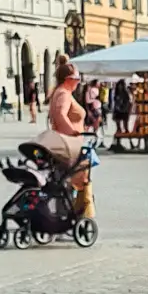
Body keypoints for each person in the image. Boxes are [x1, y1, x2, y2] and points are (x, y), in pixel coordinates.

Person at [42, 58, 94, 218]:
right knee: (68, 182)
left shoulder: (61, 92)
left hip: (66, 143)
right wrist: (72, 131)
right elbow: (59, 115)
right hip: (66, 145)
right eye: (76, 79)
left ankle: (65, 216)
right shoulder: (63, 94)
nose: (78, 82)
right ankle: (64, 218)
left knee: (66, 181)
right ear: (68, 80)